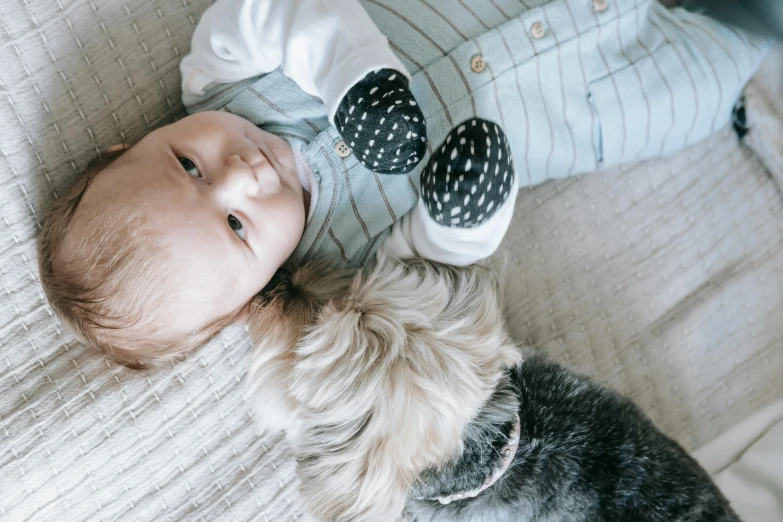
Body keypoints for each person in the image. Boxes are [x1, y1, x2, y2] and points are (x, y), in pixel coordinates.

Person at [37, 0, 767, 368]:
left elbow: (283, 9)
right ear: (248, 297)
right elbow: (431, 270)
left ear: (128, 143)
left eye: (187, 166)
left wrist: (359, 83)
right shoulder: (340, 272)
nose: (240, 176)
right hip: (593, 101)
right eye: (236, 226)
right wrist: (461, 215)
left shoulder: (222, 72)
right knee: (709, 76)